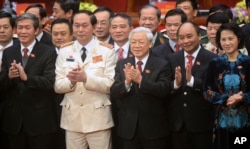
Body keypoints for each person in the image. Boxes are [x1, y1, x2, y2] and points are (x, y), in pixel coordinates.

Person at [54, 10, 115, 149]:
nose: (80, 29)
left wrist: (86, 78)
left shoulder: (107, 51)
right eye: (76, 25)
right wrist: (72, 81)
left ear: (94, 27)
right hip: (72, 120)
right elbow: (57, 86)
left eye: (85, 25)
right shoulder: (64, 51)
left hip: (98, 119)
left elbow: (110, 84)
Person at [0, 13, 58, 149]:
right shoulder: (9, 52)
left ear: (37, 30)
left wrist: (27, 78)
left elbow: (50, 82)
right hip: (14, 121)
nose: (23, 31)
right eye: (20, 28)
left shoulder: (48, 52)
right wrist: (8, 76)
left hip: (40, 121)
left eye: (27, 28)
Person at [110, 27, 171, 149]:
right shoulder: (122, 64)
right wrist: (127, 82)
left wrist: (141, 81)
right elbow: (114, 92)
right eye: (133, 42)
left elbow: (163, 90)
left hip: (154, 129)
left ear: (150, 44)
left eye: (141, 42)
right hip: (128, 128)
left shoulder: (162, 64)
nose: (136, 45)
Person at [167, 21, 218, 149]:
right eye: (182, 38)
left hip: (202, 123)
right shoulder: (172, 58)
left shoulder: (212, 59)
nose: (186, 41)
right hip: (178, 124)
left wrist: (192, 81)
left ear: (199, 36)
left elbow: (215, 88)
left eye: (189, 36)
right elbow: (165, 87)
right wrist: (176, 84)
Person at [203, 23, 250, 149]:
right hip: (221, 124)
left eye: (231, 38)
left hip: (245, 122)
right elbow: (206, 91)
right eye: (223, 39)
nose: (227, 43)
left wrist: (243, 97)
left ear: (238, 39)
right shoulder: (214, 63)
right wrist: (224, 98)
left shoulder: (247, 62)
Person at [50, 18, 74, 149]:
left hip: (73, 106)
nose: (59, 37)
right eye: (55, 34)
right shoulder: (45, 52)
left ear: (72, 34)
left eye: (63, 34)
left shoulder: (80, 53)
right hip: (49, 108)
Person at [0, 11, 17, 149]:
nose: (1, 31)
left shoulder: (21, 47)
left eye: (5, 27)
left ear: (13, 29)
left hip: (15, 107)